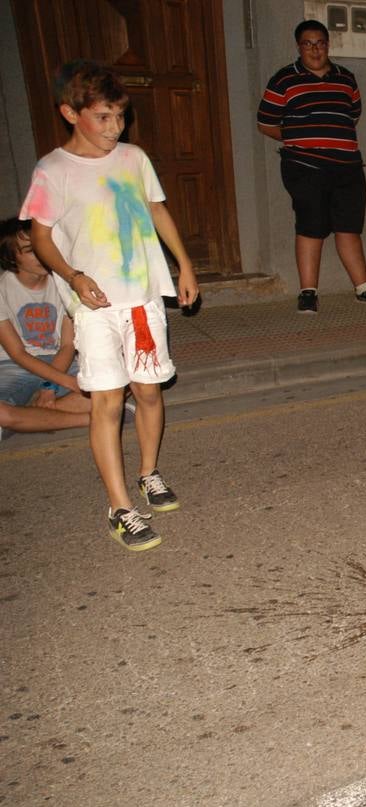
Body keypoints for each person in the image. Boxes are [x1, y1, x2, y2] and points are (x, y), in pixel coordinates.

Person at [21, 61, 199, 550]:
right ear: (70, 113)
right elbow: (40, 236)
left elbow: (156, 208)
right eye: (102, 117)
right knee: (106, 402)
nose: (114, 127)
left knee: (147, 392)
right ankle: (120, 508)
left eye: (119, 116)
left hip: (142, 299)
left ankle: (149, 473)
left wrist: (183, 264)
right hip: (94, 307)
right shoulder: (52, 170)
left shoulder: (133, 158)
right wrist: (74, 277)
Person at [258, 20, 366, 313]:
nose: (315, 49)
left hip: (347, 167)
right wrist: (300, 135)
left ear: (328, 45)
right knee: (311, 227)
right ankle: (308, 293)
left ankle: (363, 288)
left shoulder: (346, 78)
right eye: (308, 43)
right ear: (299, 47)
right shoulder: (283, 79)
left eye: (320, 43)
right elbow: (266, 123)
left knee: (349, 227)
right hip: (304, 166)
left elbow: (352, 115)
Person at [0, 217, 91, 439]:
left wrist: (50, 385)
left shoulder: (64, 283)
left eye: (42, 246)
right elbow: (18, 354)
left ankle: (25, 420)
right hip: (13, 365)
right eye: (31, 250)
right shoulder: (3, 289)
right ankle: (93, 419)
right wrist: (66, 383)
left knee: (115, 386)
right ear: (12, 258)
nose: (41, 254)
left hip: (59, 361)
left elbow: (68, 346)